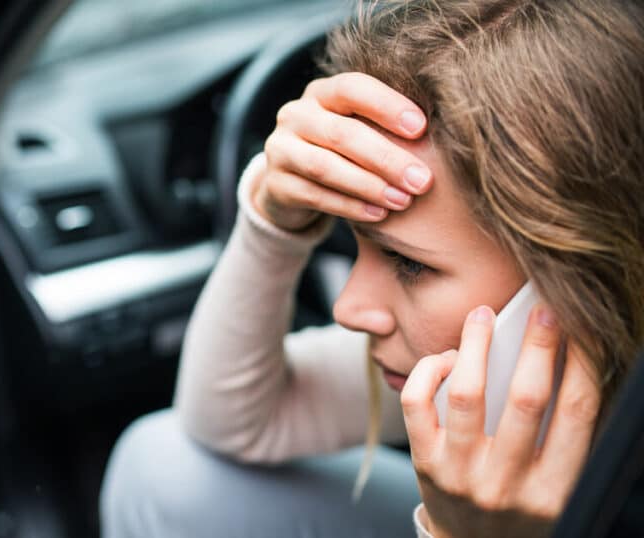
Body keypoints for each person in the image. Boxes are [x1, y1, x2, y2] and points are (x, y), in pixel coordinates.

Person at [100, 0, 644, 536]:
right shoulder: (467, 363)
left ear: (587, 277)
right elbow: (233, 422)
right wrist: (272, 219)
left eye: (409, 264)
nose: (348, 308)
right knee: (164, 466)